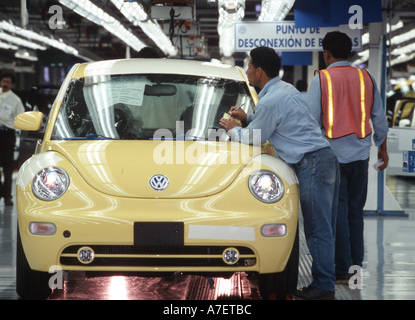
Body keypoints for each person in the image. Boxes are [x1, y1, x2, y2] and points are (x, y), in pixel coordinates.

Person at [219, 46, 339, 300]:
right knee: (323, 226)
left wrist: (233, 128)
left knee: (318, 228)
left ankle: (324, 287)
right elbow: (273, 121)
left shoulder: (271, 100)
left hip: (313, 164)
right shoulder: (284, 90)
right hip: (322, 159)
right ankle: (324, 282)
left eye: (250, 67)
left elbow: (254, 139)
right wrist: (248, 117)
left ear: (260, 71)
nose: (248, 71)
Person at [306, 31, 389, 284]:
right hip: (361, 156)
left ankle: (342, 269)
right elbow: (380, 119)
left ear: (326, 54)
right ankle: (355, 268)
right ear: (350, 53)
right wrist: (382, 149)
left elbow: (311, 120)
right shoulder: (366, 77)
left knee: (338, 214)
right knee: (355, 212)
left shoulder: (322, 79)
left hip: (333, 157)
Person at [0, 73, 25, 206]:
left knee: (7, 168)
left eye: (8, 82)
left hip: (7, 136)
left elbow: (20, 120)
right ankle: (1, 192)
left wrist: (19, 140)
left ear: (12, 85)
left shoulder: (15, 100)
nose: (5, 84)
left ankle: (7, 196)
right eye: (3, 81)